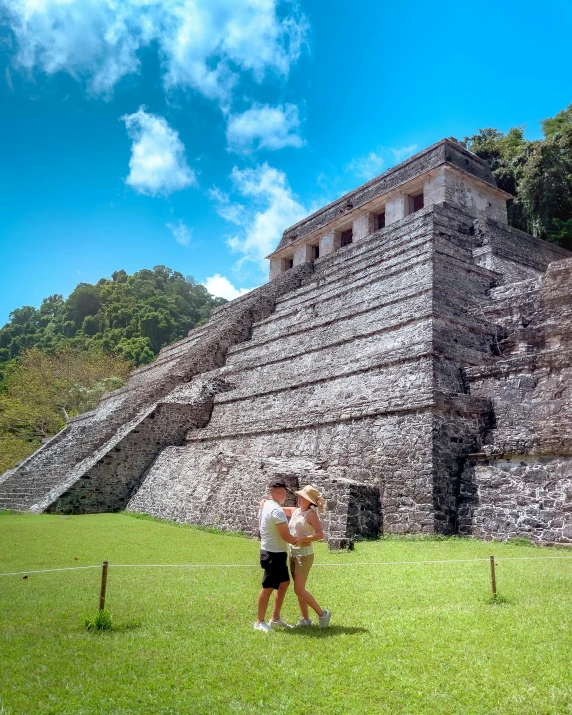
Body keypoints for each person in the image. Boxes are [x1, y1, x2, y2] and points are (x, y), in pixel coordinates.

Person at [254, 478, 301, 632]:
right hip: (273, 554)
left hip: (275, 553)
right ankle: (259, 622)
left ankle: (275, 618)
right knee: (267, 587)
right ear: (280, 492)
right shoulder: (276, 510)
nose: (286, 496)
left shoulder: (267, 504)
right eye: (285, 493)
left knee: (284, 583)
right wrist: (301, 541)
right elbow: (286, 536)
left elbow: (286, 510)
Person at [283, 485, 332, 628]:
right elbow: (282, 510)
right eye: (299, 496)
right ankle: (305, 619)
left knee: (299, 589)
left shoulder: (311, 514)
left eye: (302, 498)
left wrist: (304, 538)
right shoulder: (296, 511)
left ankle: (323, 614)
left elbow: (320, 535)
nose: (299, 499)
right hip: (293, 553)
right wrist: (267, 503)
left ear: (309, 501)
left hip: (304, 555)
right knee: (299, 589)